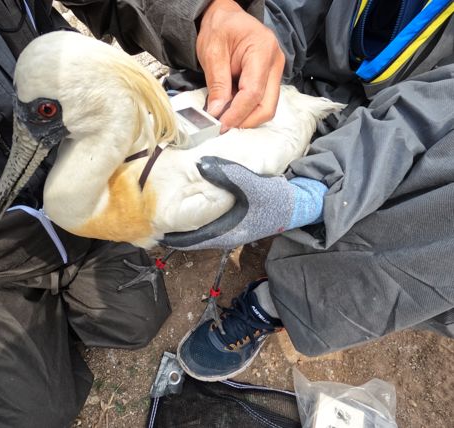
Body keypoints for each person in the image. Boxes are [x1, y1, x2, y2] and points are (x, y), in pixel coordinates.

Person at [0, 0, 283, 426]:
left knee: (134, 321)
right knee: (19, 417)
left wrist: (201, 14)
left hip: (81, 196)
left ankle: (42, 308)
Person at [174, 0, 454, 381]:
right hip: (300, 79)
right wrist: (263, 45)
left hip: (402, 137)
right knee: (206, 86)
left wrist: (315, 191)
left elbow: (426, 114)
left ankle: (281, 300)